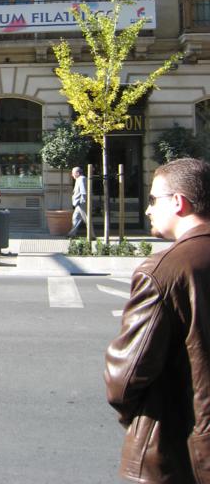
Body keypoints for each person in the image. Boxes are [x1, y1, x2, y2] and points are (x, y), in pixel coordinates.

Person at [104, 157, 210, 484]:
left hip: (179, 452)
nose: (148, 209)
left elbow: (124, 378)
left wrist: (141, 420)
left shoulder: (164, 270)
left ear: (179, 202)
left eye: (153, 200)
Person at [67, 166, 88, 238]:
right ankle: (72, 234)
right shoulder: (79, 179)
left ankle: (92, 235)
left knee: (86, 219)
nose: (72, 175)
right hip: (79, 203)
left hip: (81, 203)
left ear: (77, 173)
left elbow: (83, 192)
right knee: (76, 218)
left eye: (73, 173)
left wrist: (82, 202)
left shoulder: (81, 179)